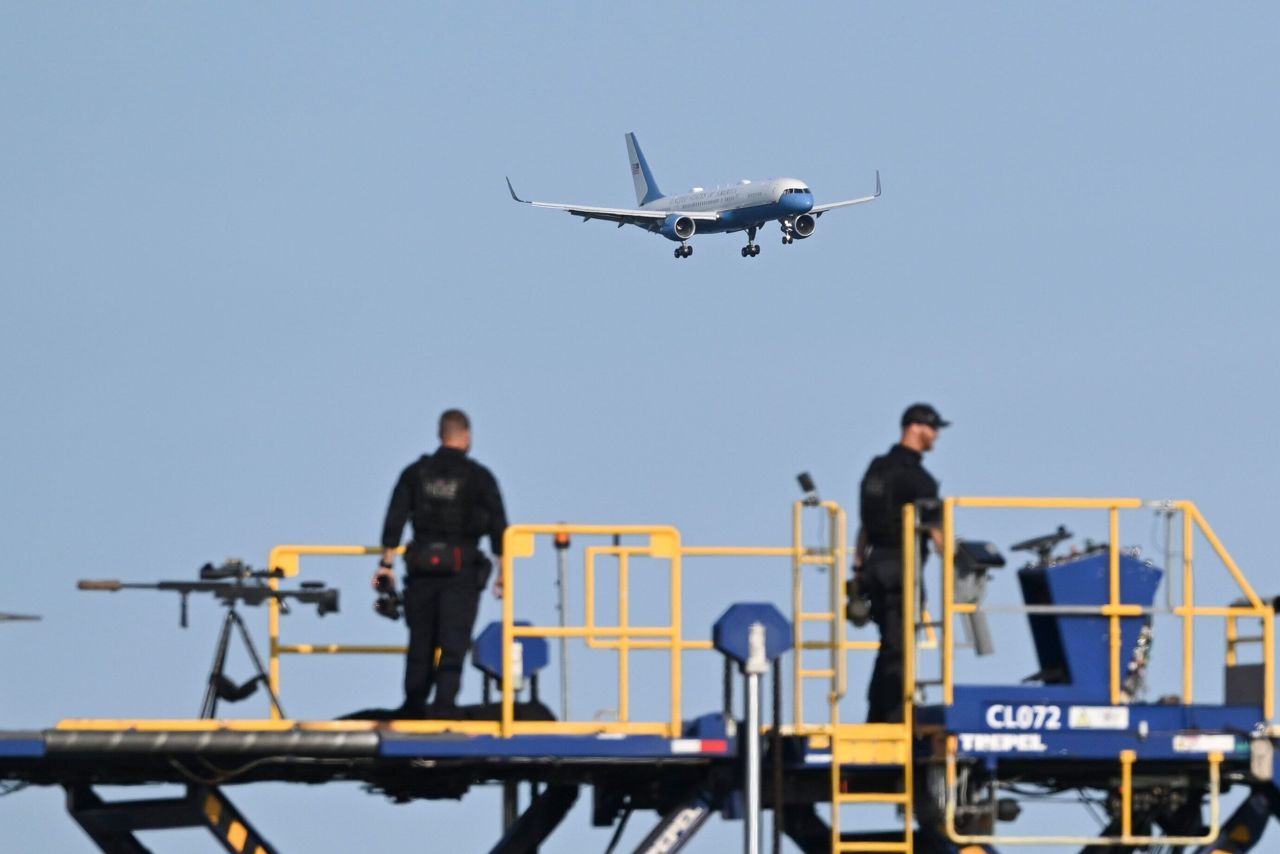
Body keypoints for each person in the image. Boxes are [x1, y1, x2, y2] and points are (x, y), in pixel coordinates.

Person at [374, 409, 507, 716]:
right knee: (454, 640)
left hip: (421, 568)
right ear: (467, 436)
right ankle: (444, 703)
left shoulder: (415, 473)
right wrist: (503, 572)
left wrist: (386, 565)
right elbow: (500, 527)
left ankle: (413, 703)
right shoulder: (479, 477)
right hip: (461, 571)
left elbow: (395, 519)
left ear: (440, 435)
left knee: (420, 640)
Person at [853, 403, 949, 723]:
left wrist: (857, 567)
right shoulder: (920, 480)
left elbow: (865, 524)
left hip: (873, 567)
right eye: (933, 429)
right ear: (916, 427)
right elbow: (937, 534)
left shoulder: (876, 468)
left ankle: (877, 713)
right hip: (901, 569)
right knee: (900, 647)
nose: (935, 436)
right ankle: (892, 717)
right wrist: (957, 557)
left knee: (888, 644)